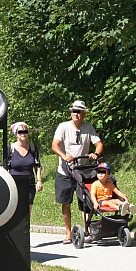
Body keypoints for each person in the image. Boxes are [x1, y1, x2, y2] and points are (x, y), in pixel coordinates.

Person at [51, 101, 104, 243]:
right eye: (74, 111)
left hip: (82, 171)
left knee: (86, 201)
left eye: (79, 111)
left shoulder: (88, 127)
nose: (76, 114)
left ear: (84, 114)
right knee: (65, 202)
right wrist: (64, 156)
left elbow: (98, 144)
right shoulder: (63, 127)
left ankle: (86, 231)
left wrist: (95, 154)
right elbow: (54, 145)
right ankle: (68, 233)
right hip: (65, 170)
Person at [6, 121, 43, 208]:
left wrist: (39, 181)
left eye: (25, 131)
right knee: (15, 209)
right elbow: (4, 166)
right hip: (14, 184)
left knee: (27, 210)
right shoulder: (10, 149)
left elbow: (37, 165)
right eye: (20, 132)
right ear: (16, 134)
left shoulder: (33, 148)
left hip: (29, 184)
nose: (23, 134)